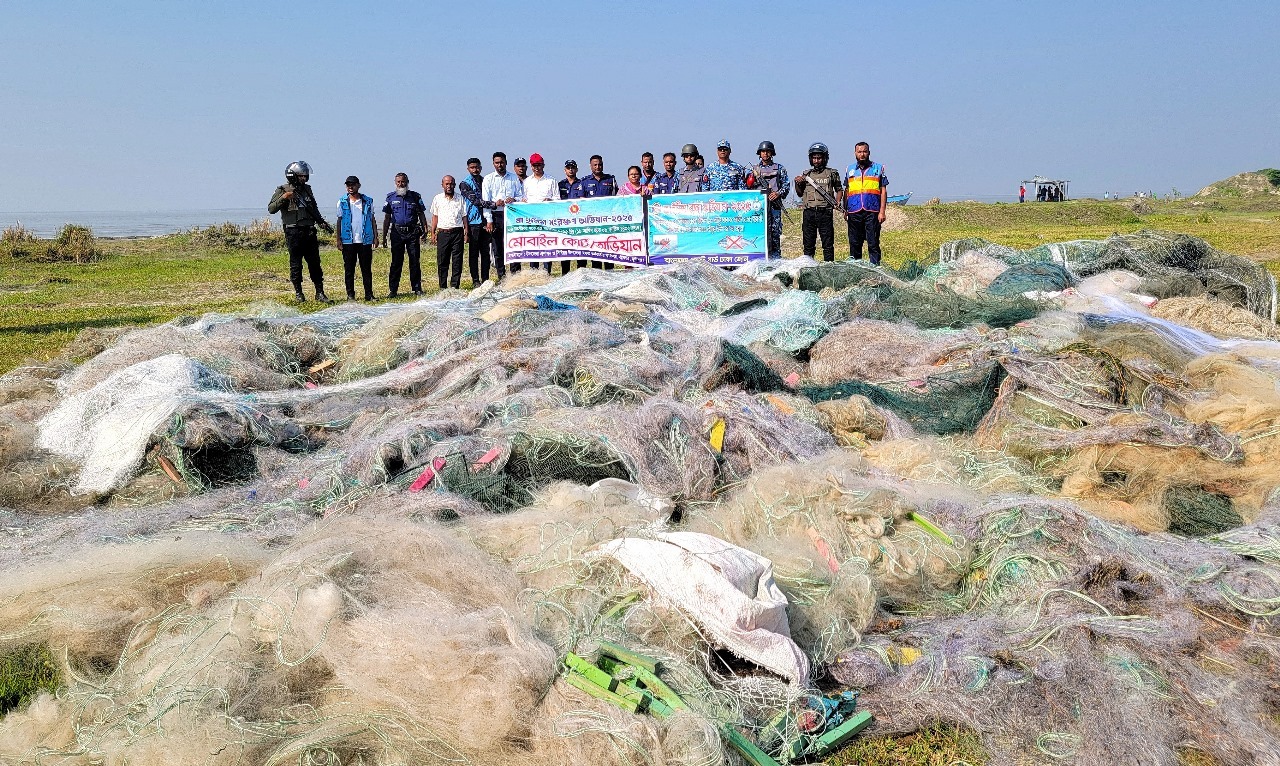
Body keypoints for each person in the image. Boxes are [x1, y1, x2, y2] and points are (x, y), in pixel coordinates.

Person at [268, 161, 335, 302]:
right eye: (301, 176)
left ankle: (320, 293)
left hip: (309, 231)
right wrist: (284, 198)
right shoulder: (282, 190)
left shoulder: (307, 189)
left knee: (315, 263)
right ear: (293, 176)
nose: (304, 178)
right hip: (293, 232)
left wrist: (321, 221)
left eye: (305, 176)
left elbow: (313, 208)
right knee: (296, 264)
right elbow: (271, 209)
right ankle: (299, 293)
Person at [380, 172, 429, 297]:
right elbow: (387, 218)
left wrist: (425, 229)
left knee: (414, 260)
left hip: (412, 233)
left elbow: (421, 214)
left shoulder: (415, 196)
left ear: (407, 182)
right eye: (398, 182)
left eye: (403, 181)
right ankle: (393, 290)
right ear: (395, 183)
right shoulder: (390, 198)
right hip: (397, 233)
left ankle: (417, 288)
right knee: (396, 261)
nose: (401, 184)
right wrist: (384, 237)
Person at [794, 142, 843, 261]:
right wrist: (797, 183)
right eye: (814, 158)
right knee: (808, 245)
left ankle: (829, 268)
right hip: (809, 213)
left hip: (825, 212)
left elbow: (839, 190)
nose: (816, 161)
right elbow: (800, 193)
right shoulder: (806, 174)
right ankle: (809, 267)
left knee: (828, 245)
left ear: (825, 158)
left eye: (819, 158)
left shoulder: (832, 173)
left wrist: (837, 201)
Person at [843, 141, 888, 266]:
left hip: (872, 211)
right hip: (854, 211)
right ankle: (856, 269)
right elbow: (847, 191)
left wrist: (882, 211)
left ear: (869, 153)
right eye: (859, 152)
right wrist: (845, 210)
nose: (862, 154)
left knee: (873, 243)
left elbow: (883, 191)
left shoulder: (878, 168)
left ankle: (875, 268)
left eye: (864, 151)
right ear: (855, 153)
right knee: (854, 243)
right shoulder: (849, 169)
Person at [335, 176, 378, 301]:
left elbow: (372, 219)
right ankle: (350, 295)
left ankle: (369, 295)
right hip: (348, 240)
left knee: (366, 269)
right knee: (349, 269)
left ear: (358, 185)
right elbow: (339, 220)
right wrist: (338, 239)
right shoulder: (342, 201)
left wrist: (376, 236)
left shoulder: (368, 201)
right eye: (348, 185)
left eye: (353, 184)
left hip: (365, 240)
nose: (350, 187)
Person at [482, 151, 523, 279]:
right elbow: (486, 201)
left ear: (506, 163)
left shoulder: (513, 178)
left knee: (514, 245)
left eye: (502, 162)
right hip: (496, 215)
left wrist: (514, 199)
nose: (499, 165)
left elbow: (521, 196)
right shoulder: (488, 179)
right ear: (493, 164)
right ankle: (502, 277)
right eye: (497, 163)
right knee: (498, 247)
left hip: (511, 215)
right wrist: (489, 220)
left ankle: (515, 277)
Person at [750, 140, 789, 258]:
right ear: (759, 153)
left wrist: (778, 194)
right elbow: (748, 186)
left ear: (772, 153)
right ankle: (760, 258)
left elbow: (786, 185)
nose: (765, 154)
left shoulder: (779, 168)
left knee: (775, 233)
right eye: (763, 151)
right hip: (759, 207)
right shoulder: (754, 169)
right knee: (759, 233)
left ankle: (776, 259)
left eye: (768, 151)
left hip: (774, 206)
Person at [429, 175, 469, 290]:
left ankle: (454, 287)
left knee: (457, 261)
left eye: (451, 184)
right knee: (442, 261)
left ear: (454, 185)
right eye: (446, 184)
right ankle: (443, 287)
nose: (449, 186)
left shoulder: (460, 198)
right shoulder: (437, 198)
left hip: (457, 233)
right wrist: (433, 232)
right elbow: (435, 216)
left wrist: (466, 232)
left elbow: (464, 216)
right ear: (442, 185)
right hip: (443, 233)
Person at [458, 158, 494, 283]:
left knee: (485, 252)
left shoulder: (485, 181)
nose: (475, 170)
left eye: (477, 167)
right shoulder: (465, 184)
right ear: (468, 169)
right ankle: (475, 280)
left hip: (485, 221)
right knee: (473, 253)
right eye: (472, 167)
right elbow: (476, 201)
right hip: (472, 222)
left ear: (481, 167)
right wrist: (494, 204)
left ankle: (485, 279)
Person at [521, 153, 557, 272]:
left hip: (547, 219)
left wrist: (550, 200)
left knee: (547, 246)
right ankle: (534, 272)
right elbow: (523, 198)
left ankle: (547, 272)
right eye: (534, 165)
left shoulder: (551, 180)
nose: (537, 168)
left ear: (543, 165)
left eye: (539, 165)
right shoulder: (527, 182)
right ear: (531, 166)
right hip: (532, 220)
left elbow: (558, 199)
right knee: (533, 246)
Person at [580, 155, 617, 270]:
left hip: (608, 222)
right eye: (595, 165)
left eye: (600, 164)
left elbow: (617, 199)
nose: (598, 167)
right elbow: (581, 203)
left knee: (609, 252)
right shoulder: (584, 181)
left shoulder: (610, 179)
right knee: (596, 253)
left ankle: (610, 275)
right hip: (593, 223)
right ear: (590, 166)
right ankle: (597, 276)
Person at [558, 159, 585, 274]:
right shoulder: (560, 184)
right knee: (565, 248)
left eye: (572, 168)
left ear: (576, 169)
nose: (570, 170)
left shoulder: (582, 183)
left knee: (581, 248)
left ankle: (581, 274)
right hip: (565, 222)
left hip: (579, 221)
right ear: (565, 170)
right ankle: (565, 274)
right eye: (568, 168)